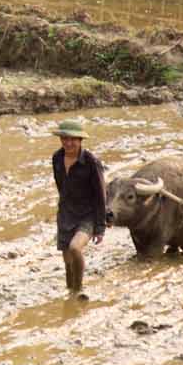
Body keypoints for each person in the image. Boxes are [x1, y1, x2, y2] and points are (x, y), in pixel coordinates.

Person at [50, 118, 106, 299]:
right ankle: (70, 291)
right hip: (66, 213)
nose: (68, 143)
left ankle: (78, 289)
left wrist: (100, 227)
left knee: (75, 248)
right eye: (64, 138)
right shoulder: (57, 158)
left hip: (87, 214)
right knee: (67, 259)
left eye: (72, 139)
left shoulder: (91, 162)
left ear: (81, 140)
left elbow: (100, 195)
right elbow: (61, 187)